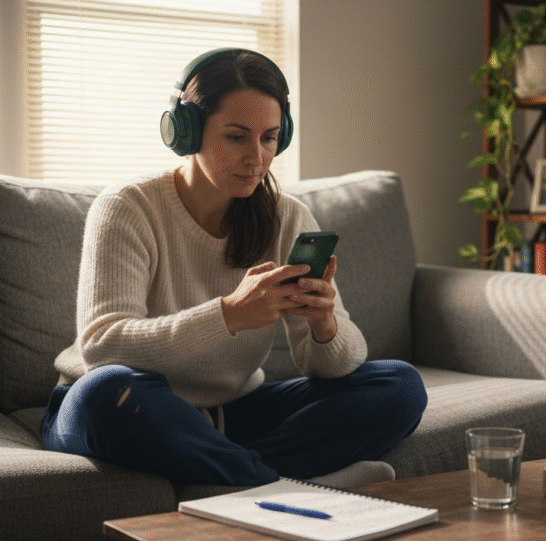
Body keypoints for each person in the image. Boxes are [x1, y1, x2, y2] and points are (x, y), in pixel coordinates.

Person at [40, 48, 427, 489]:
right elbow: (102, 346)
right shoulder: (128, 209)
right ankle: (285, 484)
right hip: (132, 406)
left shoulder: (287, 218)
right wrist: (228, 315)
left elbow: (333, 368)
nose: (256, 158)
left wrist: (325, 326)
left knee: (399, 385)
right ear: (187, 132)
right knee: (105, 392)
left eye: (269, 138)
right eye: (237, 137)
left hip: (232, 413)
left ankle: (238, 477)